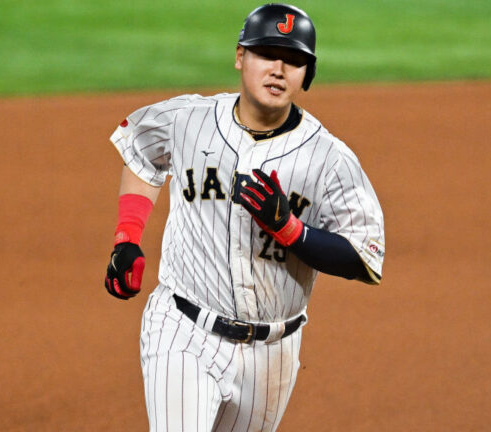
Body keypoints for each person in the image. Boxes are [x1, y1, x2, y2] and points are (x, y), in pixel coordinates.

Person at [104, 4, 384, 431]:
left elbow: (364, 259)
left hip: (273, 352)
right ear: (240, 57)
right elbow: (142, 153)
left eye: (293, 60)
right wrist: (127, 237)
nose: (278, 68)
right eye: (267, 53)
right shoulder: (187, 120)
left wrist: (291, 230)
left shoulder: (329, 159)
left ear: (307, 75)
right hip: (183, 328)